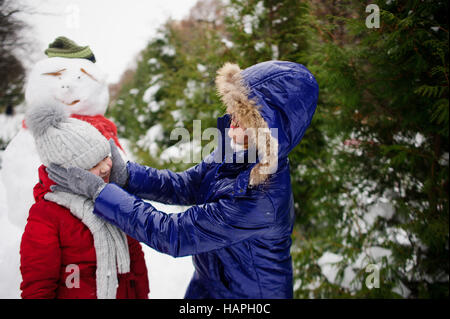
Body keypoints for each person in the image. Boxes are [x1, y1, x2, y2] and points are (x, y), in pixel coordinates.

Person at [47, 60, 319, 298]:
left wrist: (100, 194)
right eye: (235, 107)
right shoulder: (234, 150)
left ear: (269, 131)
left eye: (248, 116)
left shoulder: (262, 198)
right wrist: (126, 175)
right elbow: (186, 185)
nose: (233, 118)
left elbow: (174, 234)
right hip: (209, 283)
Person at [20, 104, 149, 299]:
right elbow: (39, 284)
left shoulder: (113, 196)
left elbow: (134, 258)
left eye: (106, 157)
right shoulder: (47, 215)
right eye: (93, 165)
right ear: (66, 173)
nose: (106, 168)